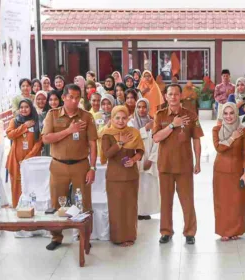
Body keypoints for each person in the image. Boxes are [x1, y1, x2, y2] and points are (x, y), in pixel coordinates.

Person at [42, 84, 98, 251]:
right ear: (63, 98)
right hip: (58, 165)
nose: (74, 101)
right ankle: (57, 237)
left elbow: (93, 144)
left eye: (77, 98)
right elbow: (46, 139)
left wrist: (93, 168)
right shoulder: (52, 115)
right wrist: (69, 130)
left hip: (81, 165)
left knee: (84, 204)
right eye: (71, 97)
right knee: (58, 203)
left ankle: (84, 237)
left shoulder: (86, 117)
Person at [152, 84, 204, 245]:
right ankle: (166, 231)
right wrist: (173, 124)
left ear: (180, 96)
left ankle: (190, 232)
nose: (173, 97)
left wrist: (198, 161)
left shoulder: (191, 115)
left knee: (187, 200)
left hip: (184, 165)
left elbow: (196, 139)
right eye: (170, 94)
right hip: (165, 165)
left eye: (176, 94)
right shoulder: (160, 115)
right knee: (166, 201)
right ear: (166, 96)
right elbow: (156, 138)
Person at [100, 106, 144, 246]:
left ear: (128, 118)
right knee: (116, 207)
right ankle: (118, 237)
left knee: (131, 207)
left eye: (124, 118)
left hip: (131, 176)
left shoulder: (134, 132)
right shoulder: (107, 134)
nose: (120, 121)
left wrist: (134, 160)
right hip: (114, 177)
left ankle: (130, 236)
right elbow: (107, 154)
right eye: (117, 118)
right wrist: (120, 142)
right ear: (112, 119)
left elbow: (140, 151)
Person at [212, 102, 245, 241]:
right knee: (222, 201)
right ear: (222, 115)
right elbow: (219, 148)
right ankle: (224, 230)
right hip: (220, 171)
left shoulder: (244, 131)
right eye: (226, 113)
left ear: (236, 113)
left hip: (238, 171)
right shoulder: (216, 130)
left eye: (232, 113)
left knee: (237, 202)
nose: (229, 116)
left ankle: (235, 230)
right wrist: (232, 137)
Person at [6, 99, 42, 208]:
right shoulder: (15, 121)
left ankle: (32, 208)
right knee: (17, 186)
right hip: (15, 160)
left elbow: (38, 143)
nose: (23, 109)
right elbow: (10, 135)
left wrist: (27, 159)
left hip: (31, 160)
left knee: (31, 184)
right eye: (21, 107)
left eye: (26, 107)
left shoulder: (37, 121)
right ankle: (18, 209)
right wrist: (24, 126)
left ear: (31, 108)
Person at [131, 98, 160, 221]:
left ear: (148, 108)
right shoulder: (131, 123)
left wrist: (151, 159)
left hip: (149, 160)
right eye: (139, 107)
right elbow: (133, 138)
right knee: (137, 187)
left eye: (144, 107)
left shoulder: (153, 122)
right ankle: (136, 211)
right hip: (135, 158)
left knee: (147, 187)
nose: (141, 109)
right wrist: (145, 130)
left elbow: (157, 142)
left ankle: (146, 211)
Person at [41, 90, 64, 157]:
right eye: (50, 100)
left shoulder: (64, 114)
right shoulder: (43, 115)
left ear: (59, 100)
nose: (53, 102)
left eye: (55, 99)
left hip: (61, 147)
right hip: (47, 147)